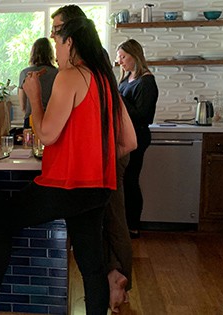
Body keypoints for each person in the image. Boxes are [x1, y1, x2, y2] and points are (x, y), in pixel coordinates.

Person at [0, 17, 121, 315]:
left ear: (70, 41)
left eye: (56, 35)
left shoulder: (71, 75)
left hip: (64, 184)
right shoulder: (105, 79)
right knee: (91, 264)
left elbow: (47, 134)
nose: (53, 42)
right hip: (98, 186)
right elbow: (128, 141)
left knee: (1, 219)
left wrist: (35, 98)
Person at [52, 5, 136, 312]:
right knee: (103, 221)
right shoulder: (95, 60)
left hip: (108, 152)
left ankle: (118, 277)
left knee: (113, 218)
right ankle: (112, 279)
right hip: (109, 150)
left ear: (71, 32)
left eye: (58, 30)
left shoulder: (85, 66)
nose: (55, 37)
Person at [116, 39, 158, 240]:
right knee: (125, 181)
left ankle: (133, 226)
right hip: (125, 136)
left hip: (138, 137)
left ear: (135, 56)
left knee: (131, 181)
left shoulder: (146, 82)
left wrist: (119, 98)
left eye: (124, 57)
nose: (120, 61)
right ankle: (124, 225)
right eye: (119, 57)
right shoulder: (128, 79)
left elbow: (143, 115)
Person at [18, 38, 58, 128]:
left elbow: (22, 106)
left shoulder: (25, 73)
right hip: (52, 118)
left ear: (33, 53)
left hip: (31, 118)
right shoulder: (58, 73)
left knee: (31, 142)